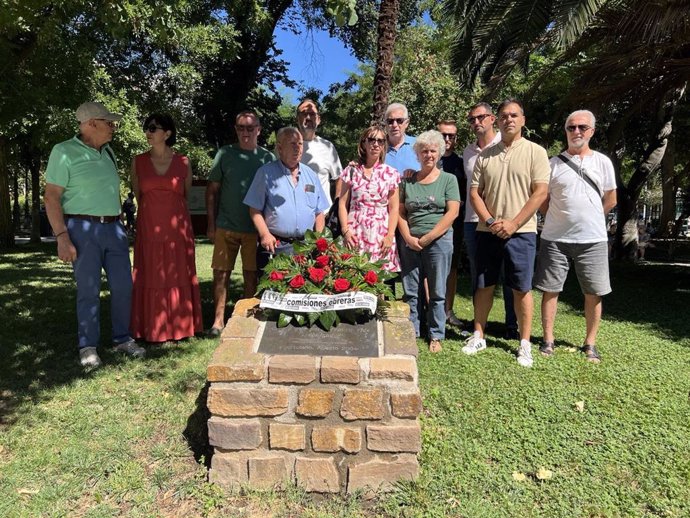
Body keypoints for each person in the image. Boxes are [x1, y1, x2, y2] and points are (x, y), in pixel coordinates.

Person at [43, 101, 145, 368]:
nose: (113, 127)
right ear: (90, 124)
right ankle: (88, 346)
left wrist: (121, 223)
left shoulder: (108, 152)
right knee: (88, 290)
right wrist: (62, 237)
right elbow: (52, 197)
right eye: (108, 122)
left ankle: (123, 339)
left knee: (124, 286)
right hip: (81, 229)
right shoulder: (63, 151)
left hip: (114, 228)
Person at [462, 99, 550, 367]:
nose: (509, 119)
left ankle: (525, 343)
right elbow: (475, 193)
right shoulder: (485, 155)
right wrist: (490, 220)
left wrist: (513, 223)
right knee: (484, 285)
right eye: (504, 116)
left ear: (523, 120)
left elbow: (540, 192)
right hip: (487, 230)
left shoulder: (536, 152)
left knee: (521, 288)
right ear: (497, 121)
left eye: (514, 115)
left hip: (522, 231)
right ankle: (479, 334)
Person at [534, 110, 617, 363]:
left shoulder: (602, 162)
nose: (576, 132)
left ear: (592, 131)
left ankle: (590, 344)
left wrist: (591, 216)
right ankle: (548, 340)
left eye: (582, 127)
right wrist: (558, 219)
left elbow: (611, 199)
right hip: (555, 239)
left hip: (592, 240)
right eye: (571, 127)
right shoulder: (553, 163)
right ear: (566, 131)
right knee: (550, 290)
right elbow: (543, 201)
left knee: (594, 292)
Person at [129, 113, 203, 343]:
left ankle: (180, 327)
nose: (148, 132)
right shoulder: (137, 161)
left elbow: (185, 195)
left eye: (153, 128)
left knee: (178, 273)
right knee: (150, 274)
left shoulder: (183, 162)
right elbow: (139, 196)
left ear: (167, 133)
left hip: (177, 232)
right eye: (147, 128)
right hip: (150, 229)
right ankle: (151, 327)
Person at [206, 111, 275, 336]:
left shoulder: (267, 158)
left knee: (251, 275)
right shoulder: (225, 154)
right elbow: (212, 191)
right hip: (226, 224)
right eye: (241, 128)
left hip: (254, 229)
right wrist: (211, 223)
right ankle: (218, 321)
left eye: (250, 127)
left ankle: (246, 320)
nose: (245, 132)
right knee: (221, 273)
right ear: (236, 129)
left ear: (259, 129)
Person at [398, 130, 460, 353]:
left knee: (437, 291)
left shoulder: (448, 180)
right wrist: (407, 237)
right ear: (417, 153)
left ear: (439, 152)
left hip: (439, 242)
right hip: (410, 242)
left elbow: (452, 212)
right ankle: (411, 332)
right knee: (411, 290)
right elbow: (400, 212)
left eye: (433, 150)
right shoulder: (407, 181)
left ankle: (436, 334)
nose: (428, 155)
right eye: (424, 151)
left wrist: (428, 238)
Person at [461, 103, 519, 339]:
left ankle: (512, 326)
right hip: (473, 222)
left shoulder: (505, 145)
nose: (476, 122)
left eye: (481, 117)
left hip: (505, 221)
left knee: (510, 275)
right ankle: (479, 326)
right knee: (480, 275)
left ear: (492, 118)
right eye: (472, 119)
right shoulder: (468, 152)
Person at [243, 127, 330, 272]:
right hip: (276, 246)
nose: (298, 148)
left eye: (300, 144)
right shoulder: (265, 173)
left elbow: (319, 212)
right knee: (274, 292)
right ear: (280, 147)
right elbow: (254, 209)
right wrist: (265, 234)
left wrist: (319, 239)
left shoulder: (311, 175)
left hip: (306, 246)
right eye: (292, 144)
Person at [338, 125, 400, 272]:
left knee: (380, 281)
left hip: (381, 234)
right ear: (363, 143)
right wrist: (345, 230)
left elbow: (394, 207)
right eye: (371, 139)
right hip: (355, 232)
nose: (376, 144)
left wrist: (390, 235)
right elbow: (342, 203)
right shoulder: (351, 171)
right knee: (353, 279)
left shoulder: (391, 173)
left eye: (380, 141)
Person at [437, 119, 464, 327]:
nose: (447, 139)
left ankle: (447, 310)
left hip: (455, 224)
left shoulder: (460, 164)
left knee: (451, 269)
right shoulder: (426, 159)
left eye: (451, 136)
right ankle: (429, 309)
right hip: (427, 223)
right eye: (443, 135)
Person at [297, 98, 343, 207]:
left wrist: (335, 207)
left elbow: (340, 178)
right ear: (297, 118)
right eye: (304, 113)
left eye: (312, 114)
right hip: (294, 217)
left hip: (323, 215)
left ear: (318, 119)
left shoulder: (328, 147)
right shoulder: (286, 145)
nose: (308, 117)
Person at [384, 103, 418, 174]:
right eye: (390, 121)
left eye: (399, 120)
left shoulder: (419, 145)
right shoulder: (377, 147)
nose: (394, 125)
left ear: (407, 123)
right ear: (385, 124)